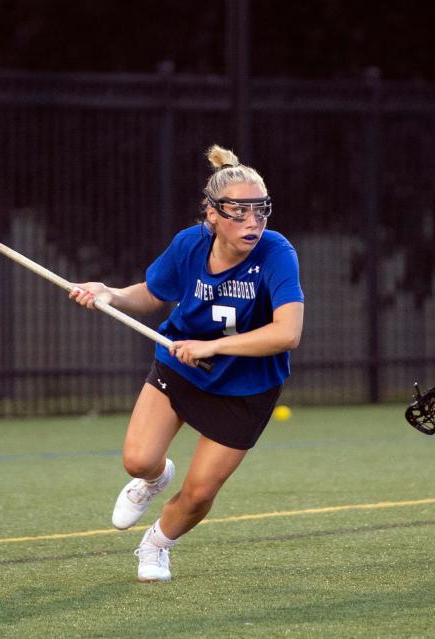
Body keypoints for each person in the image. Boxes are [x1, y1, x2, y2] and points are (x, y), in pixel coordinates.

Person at [69, 145, 304, 582]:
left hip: (246, 387)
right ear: (211, 214)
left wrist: (211, 347)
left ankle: (156, 545)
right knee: (138, 461)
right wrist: (110, 294)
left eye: (261, 211)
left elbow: (287, 333)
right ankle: (155, 479)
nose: (253, 222)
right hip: (179, 367)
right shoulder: (189, 244)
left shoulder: (276, 253)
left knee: (198, 494)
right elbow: (153, 293)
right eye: (239, 211)